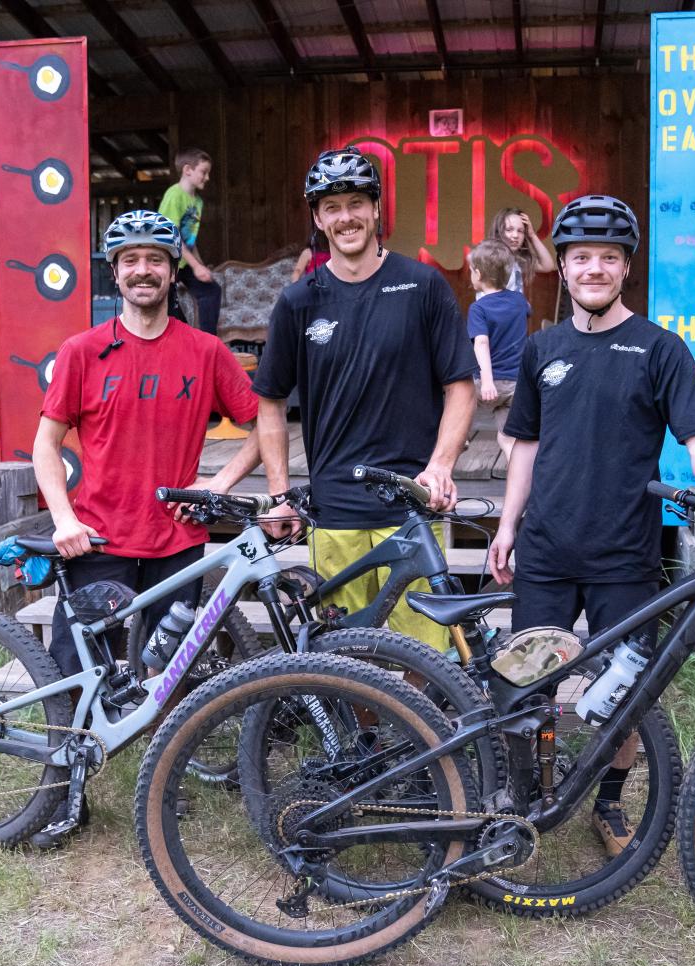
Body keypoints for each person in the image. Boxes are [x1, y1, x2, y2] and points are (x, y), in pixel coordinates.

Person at [486, 194, 695, 856]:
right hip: (546, 549)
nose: (594, 269)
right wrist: (507, 525)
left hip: (625, 555)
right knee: (528, 686)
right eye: (582, 258)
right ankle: (530, 799)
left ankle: (608, 802)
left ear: (625, 267)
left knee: (628, 690)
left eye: (608, 257)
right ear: (566, 268)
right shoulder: (543, 347)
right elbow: (524, 447)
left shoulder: (659, 349)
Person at [31, 209, 262, 848]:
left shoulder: (207, 351)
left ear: (171, 271)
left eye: (154, 259)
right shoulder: (82, 352)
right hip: (98, 540)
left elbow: (264, 430)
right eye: (130, 260)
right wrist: (63, 519)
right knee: (72, 676)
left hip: (177, 545)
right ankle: (61, 795)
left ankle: (163, 782)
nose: (143, 270)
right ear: (116, 271)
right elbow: (45, 445)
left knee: (167, 676)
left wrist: (218, 487)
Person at [253, 146, 477, 651]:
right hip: (333, 511)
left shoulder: (422, 285)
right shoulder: (299, 300)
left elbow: (460, 385)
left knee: (425, 656)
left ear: (376, 210)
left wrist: (441, 467)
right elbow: (270, 400)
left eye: (356, 202)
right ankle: (366, 736)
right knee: (348, 657)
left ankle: (420, 735)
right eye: (331, 207)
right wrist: (280, 491)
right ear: (318, 218)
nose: (346, 216)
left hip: (412, 504)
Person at [467, 238, 531, 462]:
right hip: (516, 384)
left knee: (456, 398)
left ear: (478, 274)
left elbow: (481, 344)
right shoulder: (520, 302)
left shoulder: (478, 308)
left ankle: (458, 437)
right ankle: (524, 478)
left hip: (489, 383)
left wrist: (486, 381)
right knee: (507, 439)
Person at [159, 148, 222, 335]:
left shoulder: (197, 202)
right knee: (170, 306)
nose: (207, 177)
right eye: (204, 172)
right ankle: (183, 338)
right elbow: (173, 235)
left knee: (211, 291)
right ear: (188, 170)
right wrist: (196, 266)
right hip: (167, 260)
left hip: (184, 260)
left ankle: (207, 342)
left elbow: (189, 240)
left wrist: (200, 265)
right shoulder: (174, 195)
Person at [486, 205, 555, 293]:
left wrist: (532, 235)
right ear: (498, 232)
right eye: (509, 230)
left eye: (520, 231)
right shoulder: (490, 260)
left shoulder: (518, 259)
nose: (515, 235)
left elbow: (547, 265)